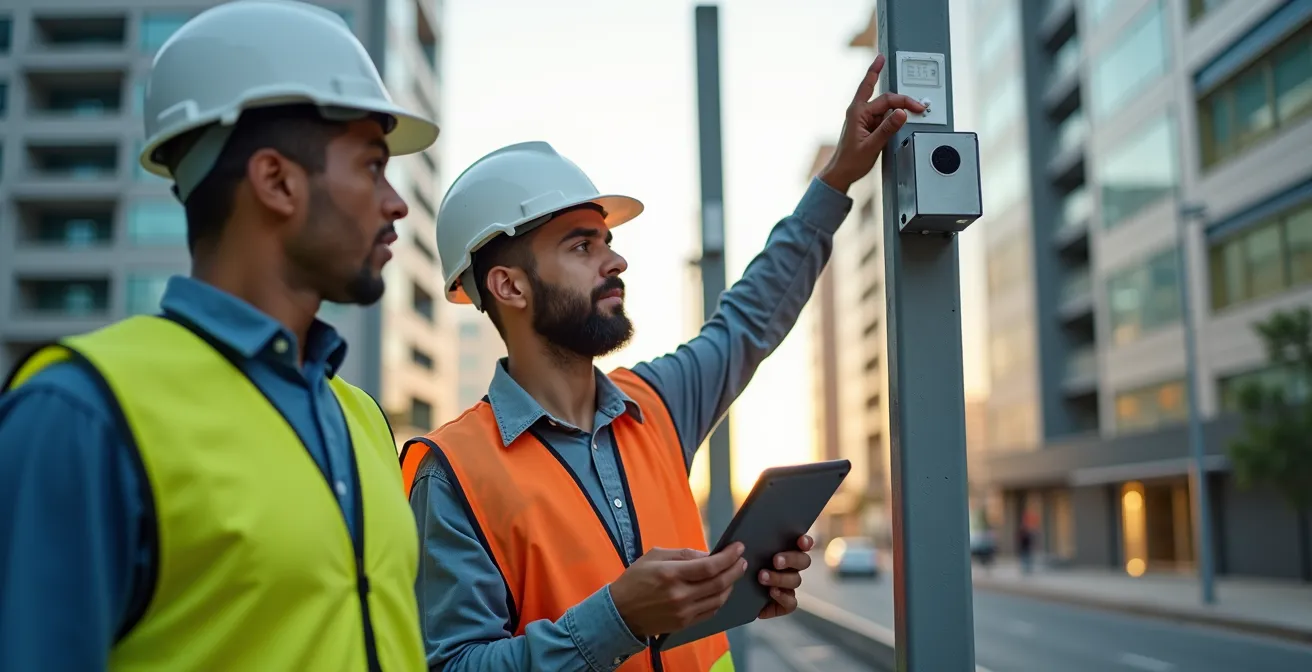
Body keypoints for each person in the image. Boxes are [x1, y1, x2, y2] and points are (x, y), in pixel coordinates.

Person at [401, 55, 925, 671]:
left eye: (608, 241)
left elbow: (749, 321)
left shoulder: (657, 403)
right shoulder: (452, 471)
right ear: (510, 287)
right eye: (581, 245)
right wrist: (617, 620)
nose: (615, 261)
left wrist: (836, 180)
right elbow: (455, 666)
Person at [0, 1, 439, 669]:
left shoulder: (363, 421)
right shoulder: (81, 413)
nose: (396, 202)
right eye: (372, 166)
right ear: (276, 181)